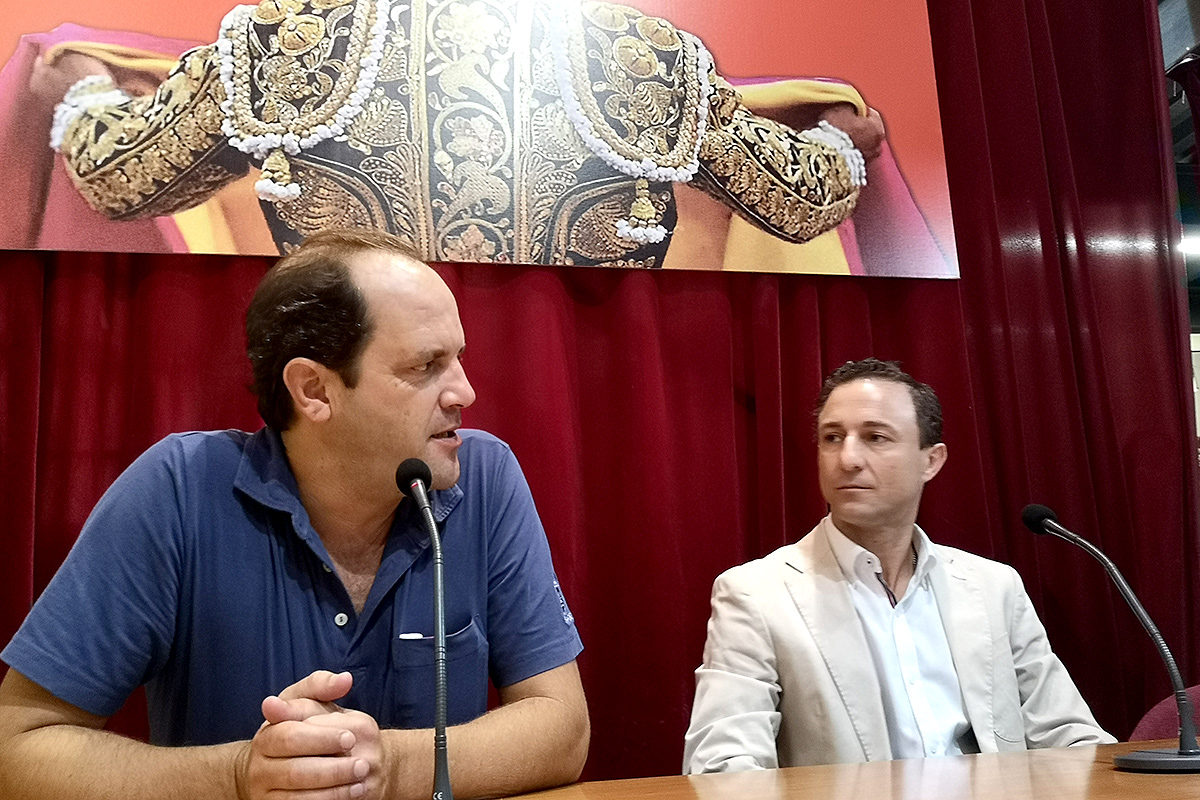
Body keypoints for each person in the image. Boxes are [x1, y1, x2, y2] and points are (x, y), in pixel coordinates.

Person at [0, 228, 589, 800]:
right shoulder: (178, 489)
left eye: (458, 358)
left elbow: (562, 727)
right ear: (314, 390)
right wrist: (238, 777)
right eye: (424, 365)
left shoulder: (483, 477)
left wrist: (386, 768)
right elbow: (16, 749)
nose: (465, 392)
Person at [31, 0, 884, 266]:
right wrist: (845, 139)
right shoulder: (639, 56)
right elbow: (800, 198)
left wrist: (85, 91)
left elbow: (121, 175)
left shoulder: (285, 42)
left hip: (342, 408)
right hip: (584, 413)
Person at [682, 358, 1113, 772]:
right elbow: (723, 766)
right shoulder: (757, 594)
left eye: (875, 437)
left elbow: (1069, 737)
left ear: (931, 461)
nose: (847, 458)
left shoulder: (992, 586)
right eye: (832, 437)